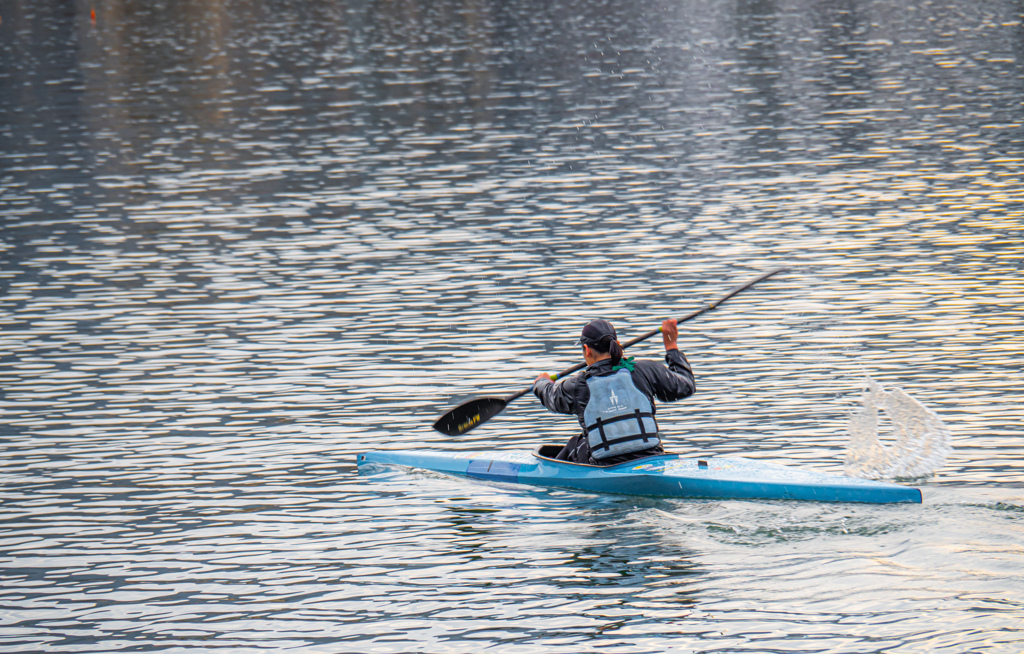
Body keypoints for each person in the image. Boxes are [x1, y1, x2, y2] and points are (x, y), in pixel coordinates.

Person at [532, 318, 695, 465]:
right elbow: (686, 386)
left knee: (576, 444)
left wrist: (541, 382)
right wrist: (671, 346)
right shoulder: (645, 370)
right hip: (651, 457)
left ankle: (554, 473)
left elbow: (550, 397)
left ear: (587, 350)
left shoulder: (578, 385)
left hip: (606, 465)